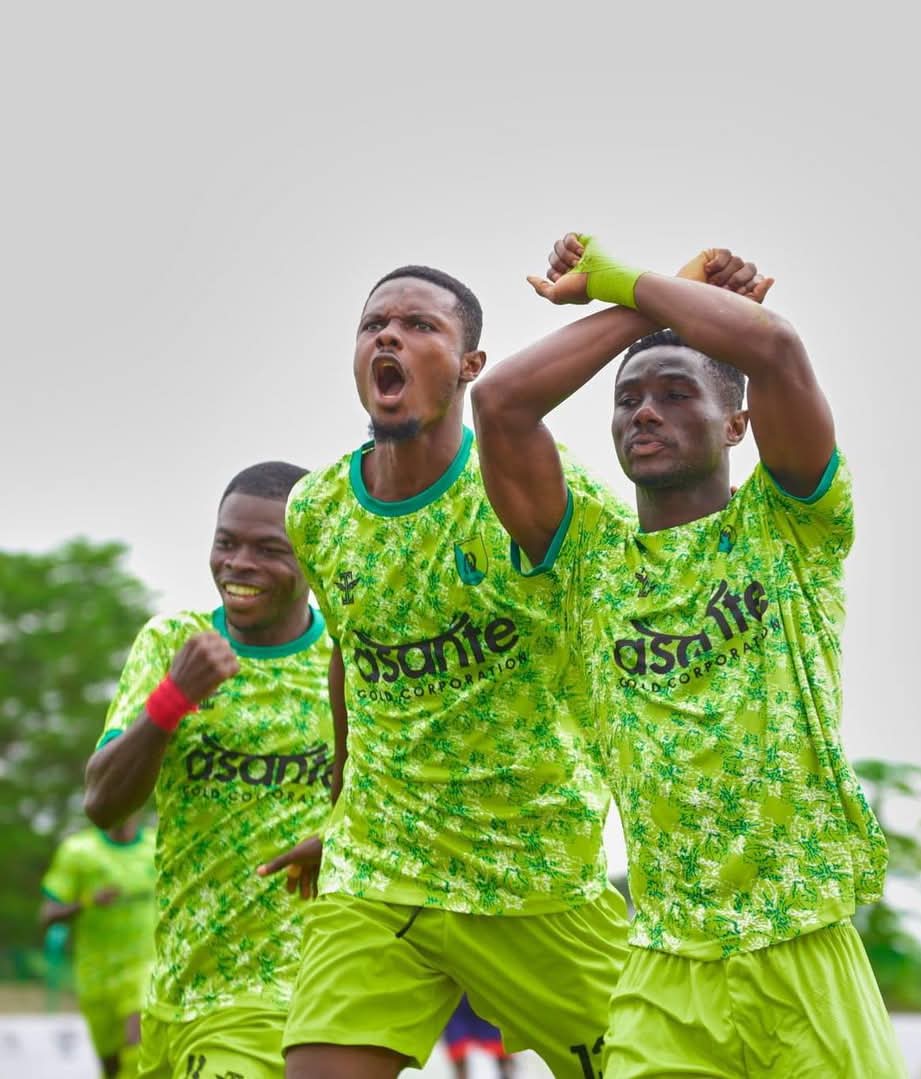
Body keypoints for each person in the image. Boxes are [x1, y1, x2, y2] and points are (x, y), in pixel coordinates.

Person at [470, 233, 906, 1076]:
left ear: (737, 422)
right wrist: (650, 298)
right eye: (628, 398)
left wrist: (619, 278)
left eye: (677, 393)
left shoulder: (790, 524)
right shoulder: (586, 563)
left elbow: (776, 350)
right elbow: (501, 404)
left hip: (803, 948)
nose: (645, 412)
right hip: (664, 966)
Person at [264, 264, 639, 1079]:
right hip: (378, 874)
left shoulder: (535, 488)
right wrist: (339, 812)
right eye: (374, 325)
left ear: (472, 365)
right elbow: (352, 653)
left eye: (420, 325)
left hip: (531, 878)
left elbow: (649, 608)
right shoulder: (318, 510)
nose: (389, 336)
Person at [83, 461, 334, 1079]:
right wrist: (173, 699)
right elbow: (104, 805)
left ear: (314, 557)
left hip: (282, 995)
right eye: (226, 543)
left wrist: (339, 836)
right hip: (173, 994)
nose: (238, 564)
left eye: (268, 549)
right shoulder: (172, 643)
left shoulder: (348, 659)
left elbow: (395, 797)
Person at [40, 816, 156, 1078]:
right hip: (95, 974)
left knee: (139, 1040)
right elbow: (47, 915)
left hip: (144, 965)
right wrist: (88, 901)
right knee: (111, 1063)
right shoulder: (77, 851)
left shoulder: (157, 846)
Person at [441, 995, 515, 1079]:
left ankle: (507, 1072)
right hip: (457, 1002)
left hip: (486, 1000)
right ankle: (461, 1075)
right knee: (456, 1043)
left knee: (502, 1044)